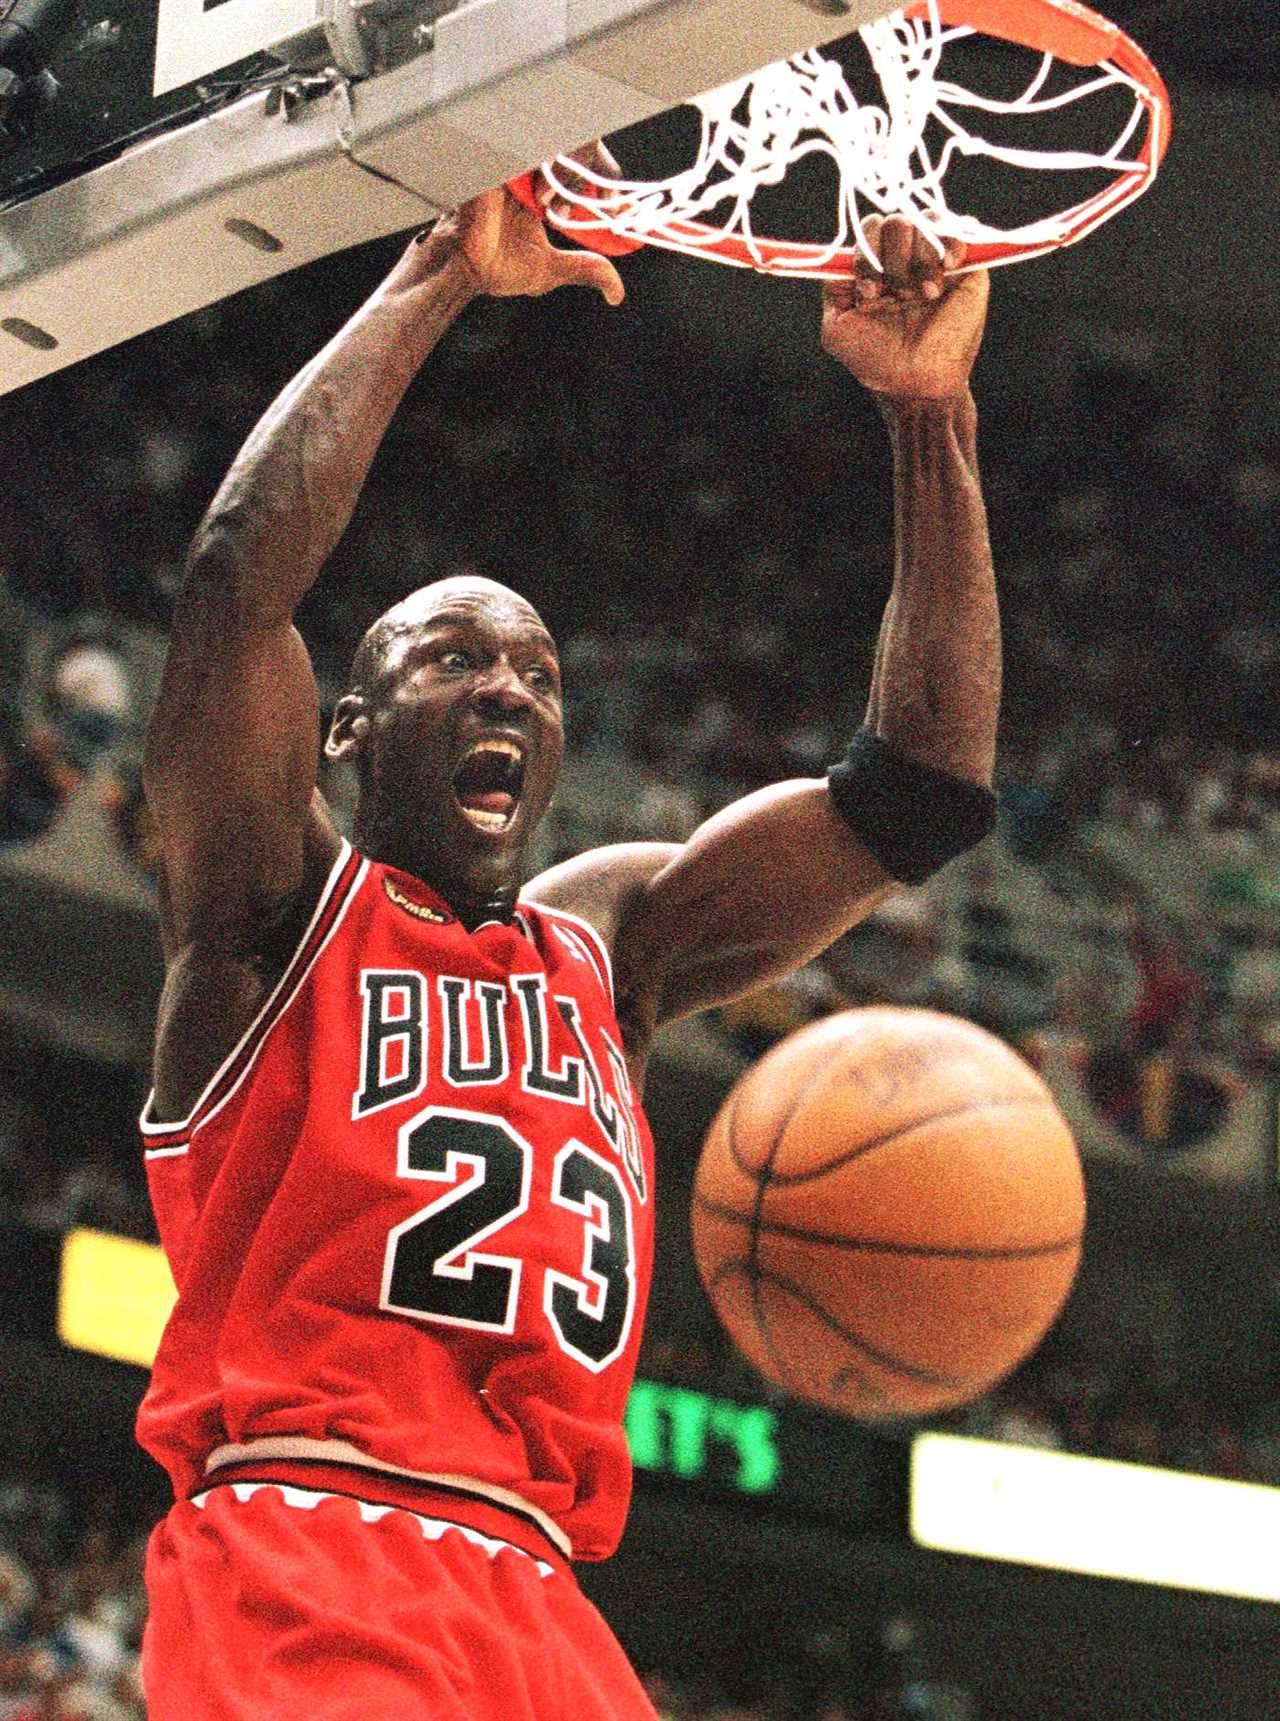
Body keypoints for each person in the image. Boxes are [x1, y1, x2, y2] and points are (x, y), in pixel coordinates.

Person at [135, 176, 998, 1718]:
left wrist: (931, 422)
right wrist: (438, 274)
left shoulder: (615, 943)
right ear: (346, 726)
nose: (508, 691)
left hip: (539, 1596)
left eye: (536, 672)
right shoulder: (275, 908)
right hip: (309, 1544)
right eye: (452, 657)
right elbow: (234, 587)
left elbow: (917, 791)